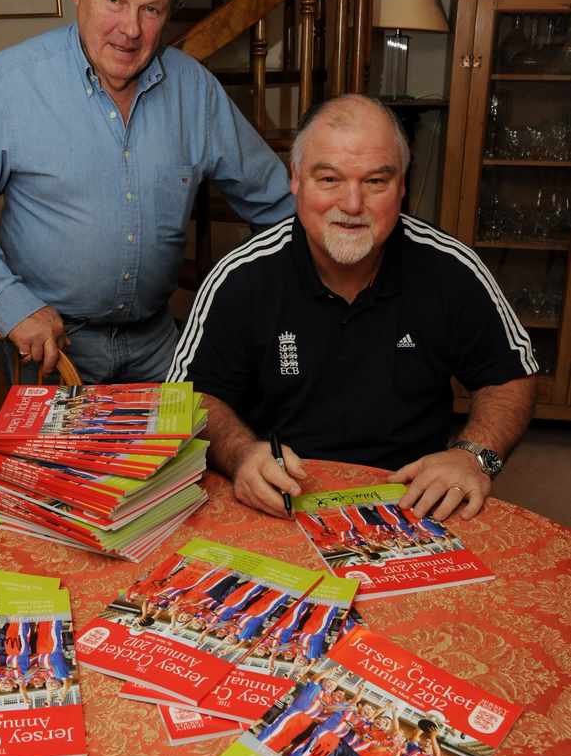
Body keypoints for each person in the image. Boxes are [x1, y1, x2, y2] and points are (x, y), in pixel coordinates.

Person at [0, 0, 292, 381]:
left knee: (183, 457)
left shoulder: (196, 92)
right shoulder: (10, 83)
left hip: (160, 346)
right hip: (52, 350)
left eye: (150, 9)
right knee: (53, 460)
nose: (130, 29)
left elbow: (279, 204)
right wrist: (10, 304)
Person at [168, 95, 537, 521]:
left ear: (401, 185)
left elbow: (510, 376)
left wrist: (473, 456)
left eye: (376, 182)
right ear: (296, 179)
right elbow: (191, 396)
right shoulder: (239, 276)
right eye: (329, 179)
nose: (353, 204)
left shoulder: (451, 268)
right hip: (275, 501)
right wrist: (242, 455)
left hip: (413, 504)